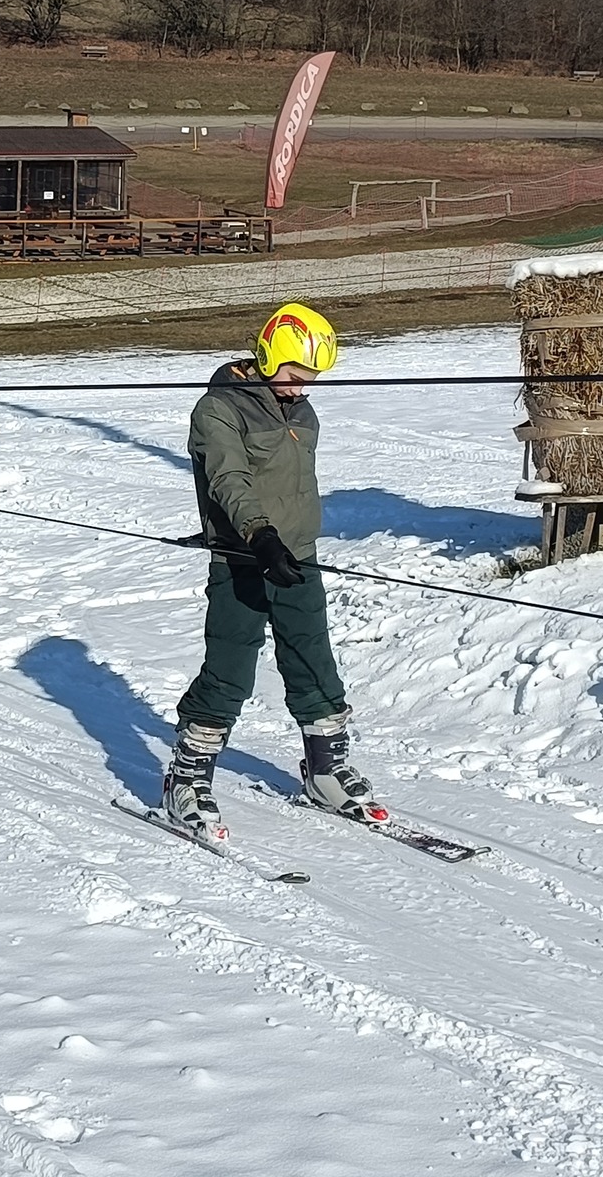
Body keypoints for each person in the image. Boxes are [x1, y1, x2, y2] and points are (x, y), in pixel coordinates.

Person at [162, 302, 382, 842]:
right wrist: (259, 535)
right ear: (266, 356)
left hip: (297, 554)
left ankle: (325, 768)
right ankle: (186, 778)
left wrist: (289, 541)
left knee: (313, 661)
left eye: (311, 380)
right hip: (243, 554)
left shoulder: (300, 410)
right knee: (231, 668)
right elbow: (228, 479)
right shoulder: (219, 410)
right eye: (293, 375)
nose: (300, 389)